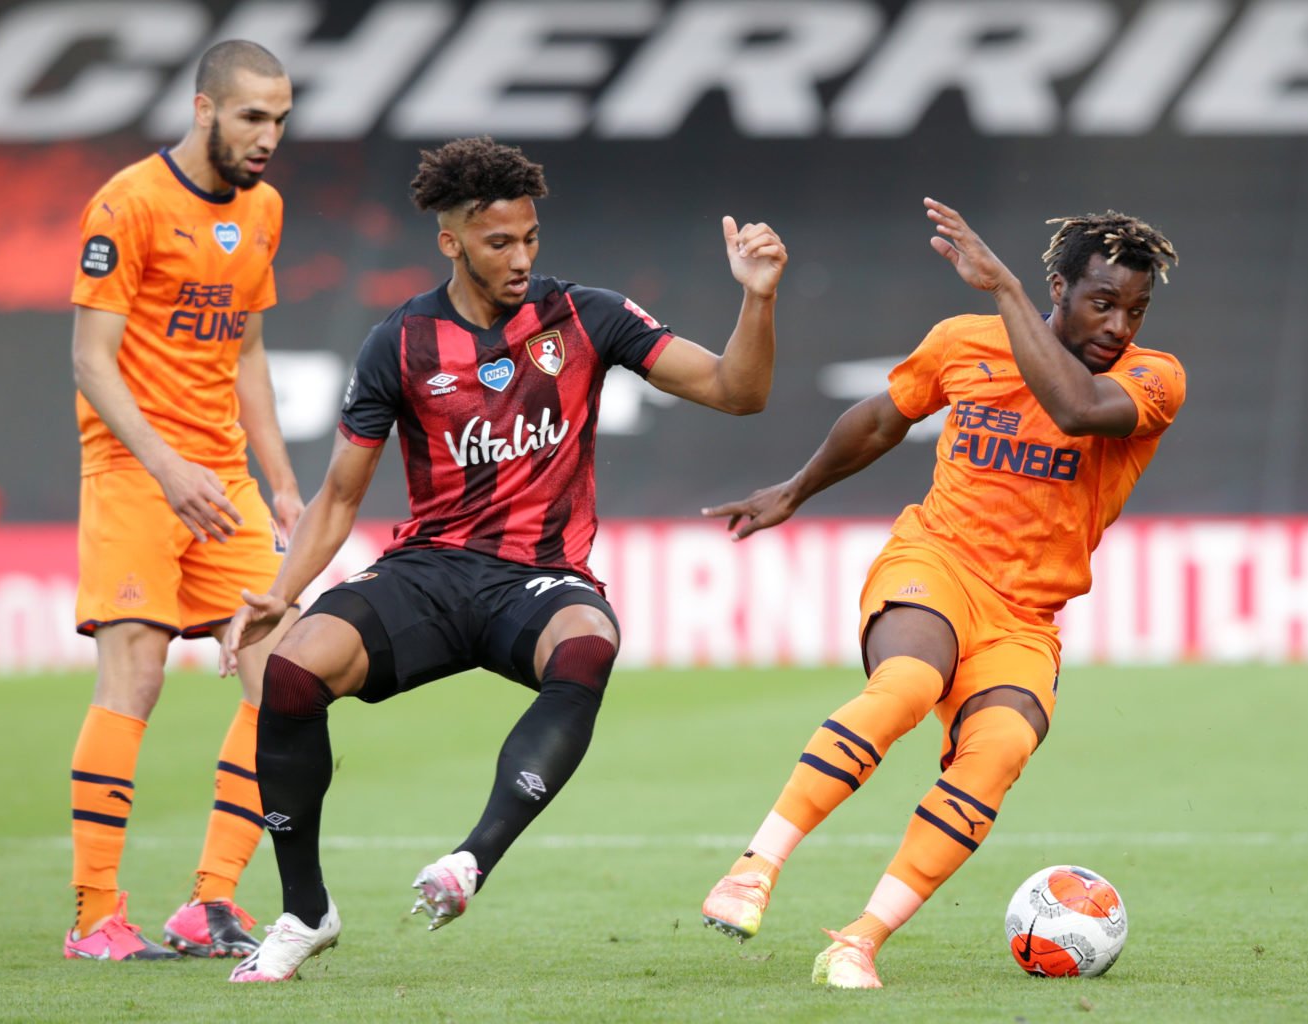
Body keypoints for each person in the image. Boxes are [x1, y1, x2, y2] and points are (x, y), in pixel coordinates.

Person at [217, 135, 787, 983]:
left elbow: (738, 392)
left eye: (529, 239)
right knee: (292, 676)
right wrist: (281, 594)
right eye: (498, 243)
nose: (521, 258)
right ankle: (304, 913)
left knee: (589, 642)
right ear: (450, 242)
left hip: (538, 577)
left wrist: (758, 301)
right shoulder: (399, 343)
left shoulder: (588, 316)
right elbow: (339, 497)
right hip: (431, 571)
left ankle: (470, 861)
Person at [699, 200, 1183, 989]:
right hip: (937, 562)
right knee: (910, 682)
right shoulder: (964, 342)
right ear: (1057, 287)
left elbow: (1075, 408)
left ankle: (859, 939)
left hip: (1025, 616)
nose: (1120, 324)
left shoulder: (1154, 379)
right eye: (1103, 302)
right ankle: (754, 868)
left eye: (1136, 308)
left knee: (998, 752)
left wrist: (1002, 290)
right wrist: (797, 486)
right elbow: (884, 420)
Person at [65, 40, 303, 961]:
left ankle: (209, 901)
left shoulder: (266, 208)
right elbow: (90, 360)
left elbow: (244, 351)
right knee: (137, 677)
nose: (269, 136)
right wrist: (165, 466)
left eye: (280, 119)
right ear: (204, 109)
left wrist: (279, 481)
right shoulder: (126, 204)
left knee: (282, 682)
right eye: (252, 117)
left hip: (224, 475)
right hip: (135, 469)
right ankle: (93, 917)